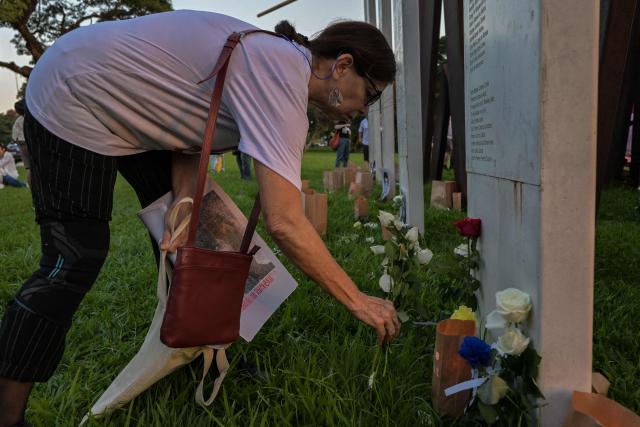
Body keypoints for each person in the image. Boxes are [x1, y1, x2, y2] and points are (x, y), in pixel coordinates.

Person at [0, 10, 398, 425]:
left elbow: (191, 133)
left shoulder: (280, 66)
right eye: (370, 94)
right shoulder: (280, 71)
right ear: (344, 65)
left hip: (132, 113)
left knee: (201, 237)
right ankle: (7, 414)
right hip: (74, 94)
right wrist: (359, 301)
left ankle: (195, 353)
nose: (366, 111)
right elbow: (285, 222)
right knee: (76, 257)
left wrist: (184, 204)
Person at [11, 100, 30, 185]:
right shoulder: (30, 117)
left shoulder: (18, 120)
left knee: (30, 169)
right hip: (27, 142)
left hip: (21, 143)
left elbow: (14, 137)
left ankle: (32, 189)